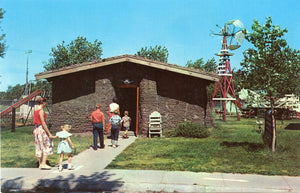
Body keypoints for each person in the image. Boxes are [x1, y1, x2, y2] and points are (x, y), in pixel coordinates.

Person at [33, 97, 57, 170]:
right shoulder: (41, 111)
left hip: (36, 129)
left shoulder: (35, 109)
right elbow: (43, 123)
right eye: (45, 103)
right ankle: (43, 163)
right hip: (41, 129)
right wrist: (49, 133)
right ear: (43, 102)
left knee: (39, 146)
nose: (45, 104)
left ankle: (40, 163)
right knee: (47, 145)